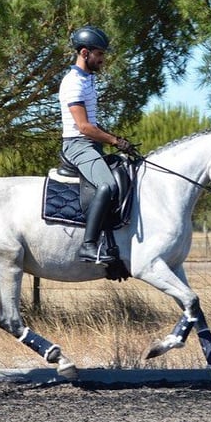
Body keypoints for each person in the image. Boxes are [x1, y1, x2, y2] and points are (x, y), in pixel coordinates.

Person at [59, 26, 135, 264]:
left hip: (91, 145)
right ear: (84, 53)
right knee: (107, 186)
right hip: (77, 145)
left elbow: (93, 124)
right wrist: (115, 140)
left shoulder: (88, 79)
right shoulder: (73, 83)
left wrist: (115, 139)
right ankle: (89, 246)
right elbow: (83, 127)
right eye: (99, 54)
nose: (103, 59)